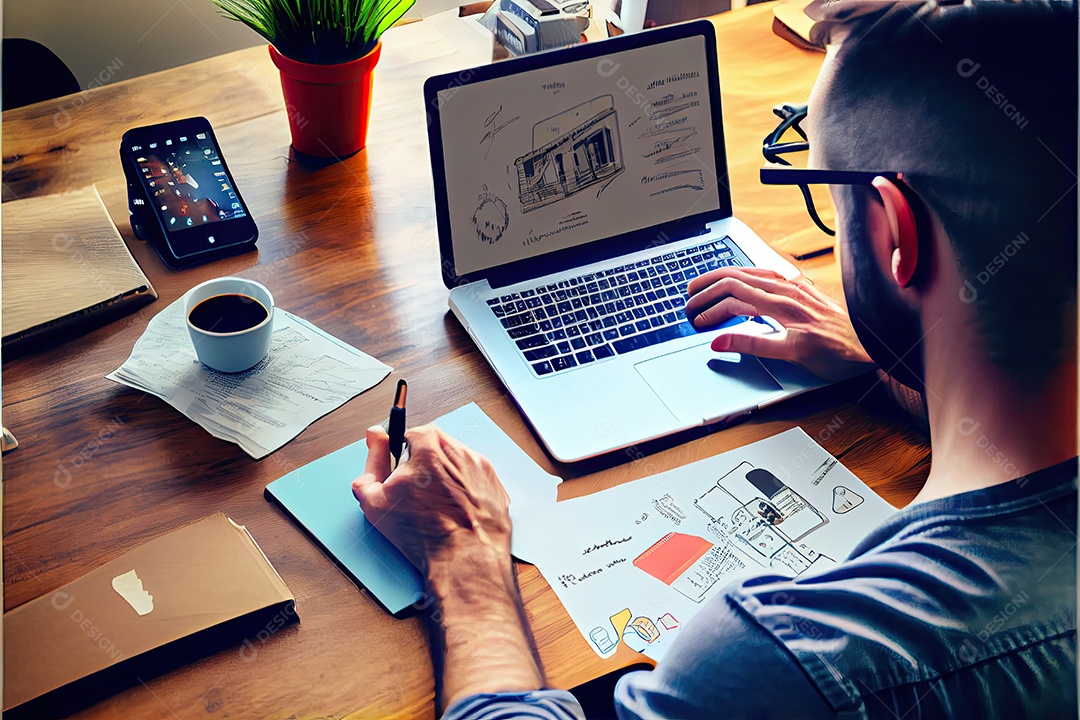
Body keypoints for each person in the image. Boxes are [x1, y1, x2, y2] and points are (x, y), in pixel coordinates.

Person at [353, 0, 1078, 717]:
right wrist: (900, 361)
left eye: (827, 194)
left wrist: (467, 557)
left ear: (895, 236)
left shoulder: (792, 666)